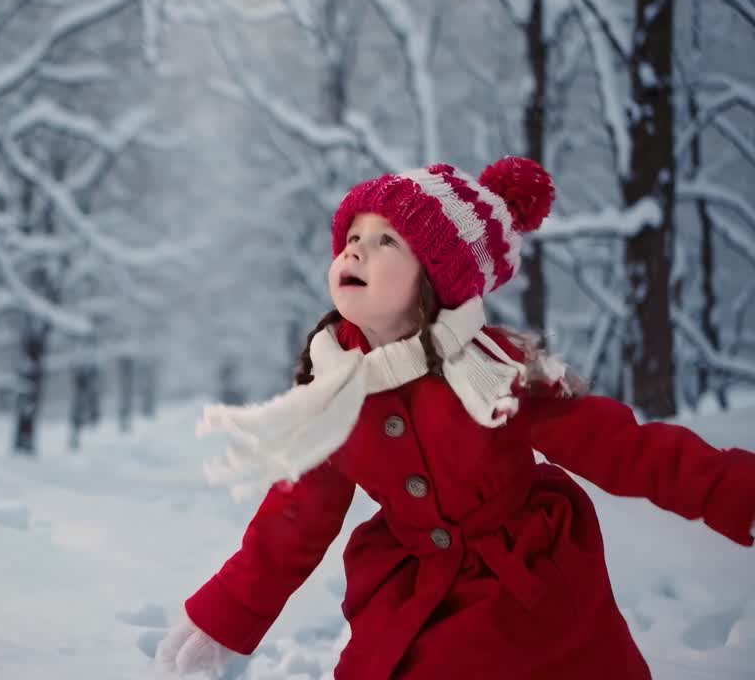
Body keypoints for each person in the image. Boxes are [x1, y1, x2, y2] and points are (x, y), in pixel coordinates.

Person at [156, 157, 755, 679]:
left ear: (436, 282)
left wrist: (735, 490)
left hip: (524, 585)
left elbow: (623, 447)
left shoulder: (494, 374)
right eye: (352, 237)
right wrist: (229, 613)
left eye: (387, 240)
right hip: (412, 583)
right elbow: (296, 515)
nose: (357, 248)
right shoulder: (337, 386)